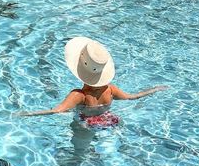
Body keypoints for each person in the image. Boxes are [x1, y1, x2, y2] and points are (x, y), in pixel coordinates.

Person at [22, 37, 167, 127]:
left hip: (86, 125)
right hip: (110, 121)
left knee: (79, 153)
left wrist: (25, 114)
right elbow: (133, 97)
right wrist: (154, 89)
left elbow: (56, 111)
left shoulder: (79, 95)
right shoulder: (111, 89)